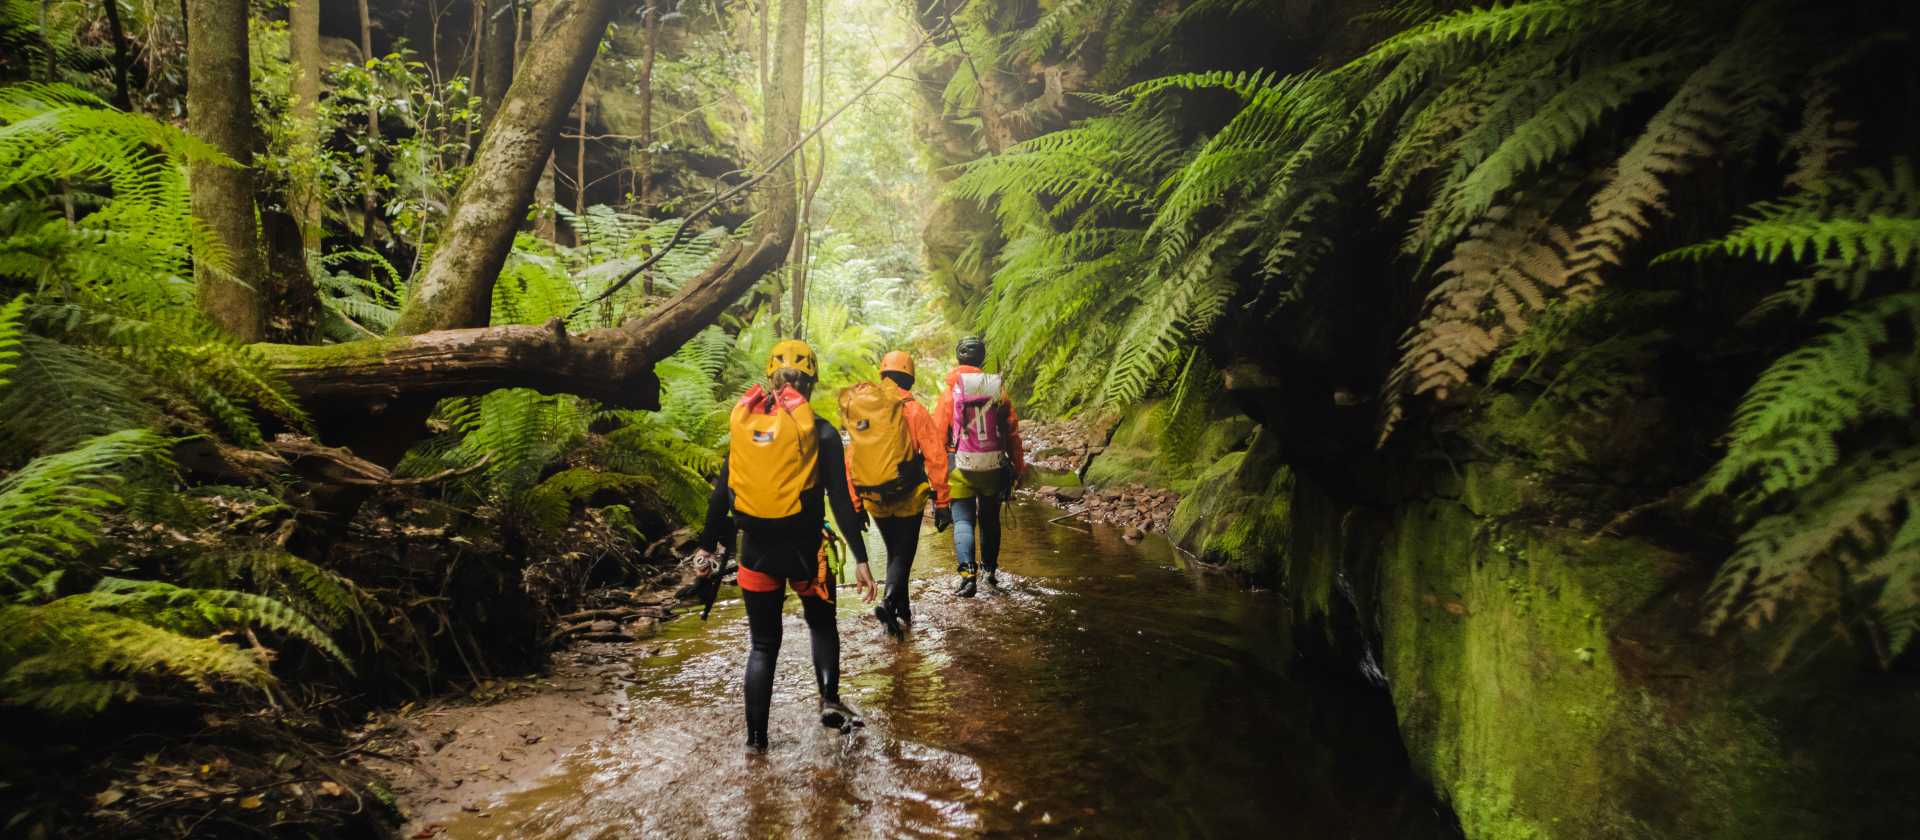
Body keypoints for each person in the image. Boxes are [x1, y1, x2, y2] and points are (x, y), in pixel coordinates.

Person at [697, 339, 878, 753]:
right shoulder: (824, 432)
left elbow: (721, 492)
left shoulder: (746, 428)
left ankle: (756, 745)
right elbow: (840, 498)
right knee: (821, 624)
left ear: (771, 378)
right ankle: (829, 698)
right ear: (811, 382)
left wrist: (706, 550)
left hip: (755, 555)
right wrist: (862, 558)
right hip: (806, 555)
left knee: (762, 646)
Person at [840, 350, 951, 638]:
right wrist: (942, 501)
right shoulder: (913, 410)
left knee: (894, 553)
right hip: (908, 496)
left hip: (874, 499)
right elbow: (936, 456)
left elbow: (851, 460)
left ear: (883, 375)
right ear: (910, 378)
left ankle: (903, 612)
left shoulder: (868, 411)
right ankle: (890, 602)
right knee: (903, 553)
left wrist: (856, 504)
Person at [934, 336, 1024, 598]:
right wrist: (1017, 467)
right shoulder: (997, 390)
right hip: (994, 466)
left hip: (960, 466)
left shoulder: (951, 392)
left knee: (962, 520)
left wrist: (938, 475)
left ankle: (967, 577)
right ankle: (991, 573)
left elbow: (937, 434)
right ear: (982, 360)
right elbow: (1012, 433)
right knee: (989, 520)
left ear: (958, 358)